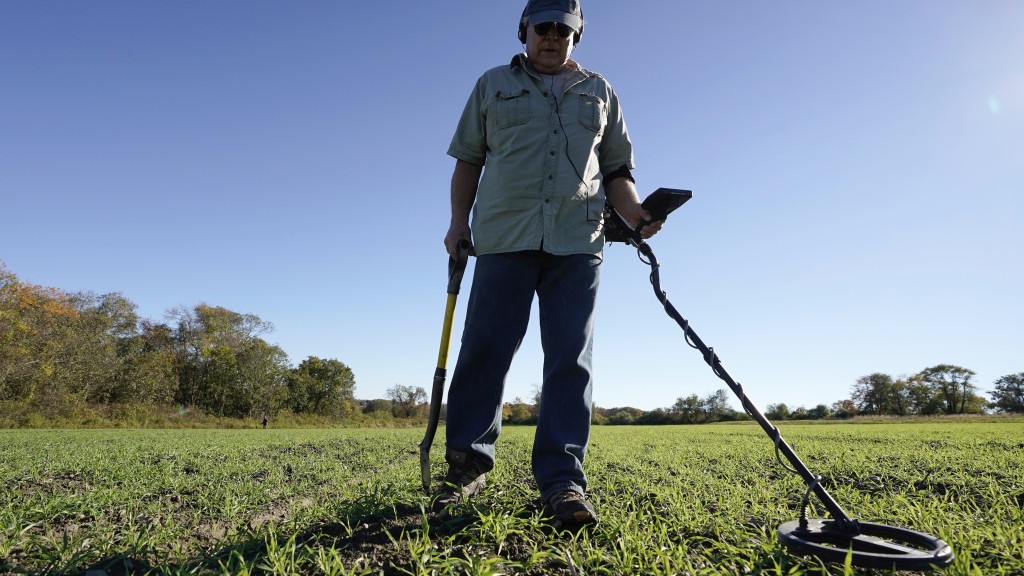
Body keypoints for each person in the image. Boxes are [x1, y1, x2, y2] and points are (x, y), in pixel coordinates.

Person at [436, 0, 664, 528]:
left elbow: (617, 169)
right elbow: (469, 158)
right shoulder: (492, 83)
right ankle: (466, 470)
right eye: (544, 27)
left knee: (569, 360)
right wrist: (457, 224)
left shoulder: (600, 91)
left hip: (577, 243)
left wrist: (634, 214)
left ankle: (563, 482)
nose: (553, 37)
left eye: (565, 29)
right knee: (485, 353)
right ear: (524, 30)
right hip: (502, 238)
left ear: (577, 35)